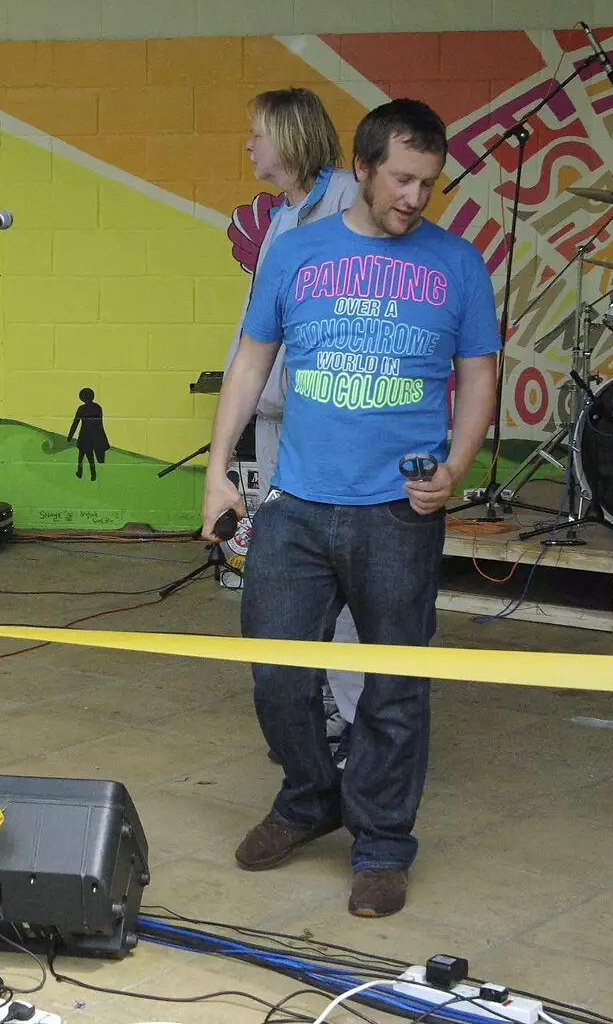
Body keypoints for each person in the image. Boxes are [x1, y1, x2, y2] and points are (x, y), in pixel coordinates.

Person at [202, 98, 500, 918]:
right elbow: (251, 360)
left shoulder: (457, 263)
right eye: (402, 178)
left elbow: (478, 375)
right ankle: (308, 797)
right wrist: (219, 473)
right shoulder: (296, 253)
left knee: (396, 685)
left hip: (399, 509)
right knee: (275, 671)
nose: (415, 196)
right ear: (362, 169)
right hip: (297, 502)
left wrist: (459, 466)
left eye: (429, 183)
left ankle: (380, 843)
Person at [228, 87, 367, 760]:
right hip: (282, 421)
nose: (248, 144)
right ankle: (316, 713)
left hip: (333, 427)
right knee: (294, 577)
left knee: (343, 582)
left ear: (289, 136)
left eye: (257, 132)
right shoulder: (284, 217)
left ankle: (356, 719)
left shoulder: (346, 198)